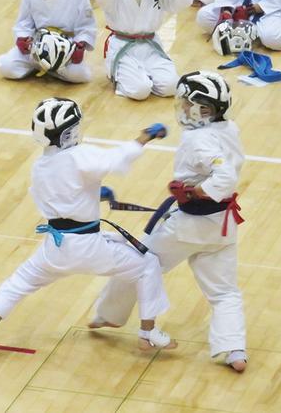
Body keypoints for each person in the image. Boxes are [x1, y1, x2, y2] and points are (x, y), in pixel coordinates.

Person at [0, 97, 176, 354]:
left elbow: (60, 195)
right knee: (147, 265)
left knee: (18, 282)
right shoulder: (79, 155)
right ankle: (148, 333)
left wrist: (92, 195)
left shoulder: (40, 165)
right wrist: (146, 136)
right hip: (89, 247)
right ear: (69, 131)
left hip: (55, 248)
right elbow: (116, 158)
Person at [89, 71, 248, 373]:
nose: (183, 108)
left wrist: (197, 191)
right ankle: (234, 350)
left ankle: (110, 314)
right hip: (222, 227)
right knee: (224, 291)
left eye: (187, 103)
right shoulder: (229, 128)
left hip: (188, 226)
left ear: (201, 109)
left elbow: (225, 176)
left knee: (137, 262)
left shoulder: (197, 140)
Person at [89, 0, 193, 100]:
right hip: (123, 47)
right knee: (140, 90)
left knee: (172, 86)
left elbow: (183, 2)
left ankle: (145, 76)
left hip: (151, 46)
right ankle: (123, 75)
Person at [0, 0, 96, 83]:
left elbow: (86, 25)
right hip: (35, 47)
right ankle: (49, 67)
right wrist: (23, 38)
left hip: (64, 50)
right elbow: (24, 23)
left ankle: (52, 65)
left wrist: (80, 44)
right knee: (6, 66)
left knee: (79, 74)